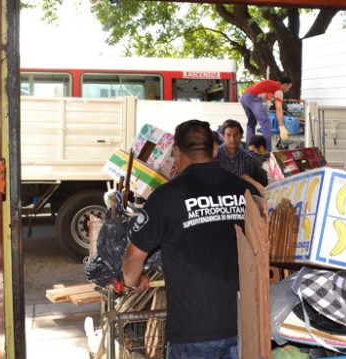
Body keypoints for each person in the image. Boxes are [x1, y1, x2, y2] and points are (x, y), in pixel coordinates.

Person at [121, 119, 261, 359]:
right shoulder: (246, 191)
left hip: (194, 333)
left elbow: (133, 258)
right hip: (246, 325)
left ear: (176, 151)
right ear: (215, 149)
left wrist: (132, 282)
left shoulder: (165, 197)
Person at [240, 77, 294, 151]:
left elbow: (263, 95)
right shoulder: (278, 89)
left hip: (243, 98)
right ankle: (268, 151)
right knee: (266, 123)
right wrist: (281, 126)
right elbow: (279, 109)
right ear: (285, 85)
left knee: (251, 123)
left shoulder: (271, 84)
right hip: (252, 98)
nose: (288, 90)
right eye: (289, 88)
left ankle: (249, 149)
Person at [215, 119, 269, 186]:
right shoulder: (214, 156)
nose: (232, 139)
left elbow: (262, 182)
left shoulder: (249, 158)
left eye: (235, 135)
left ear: (241, 136)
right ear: (223, 136)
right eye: (228, 135)